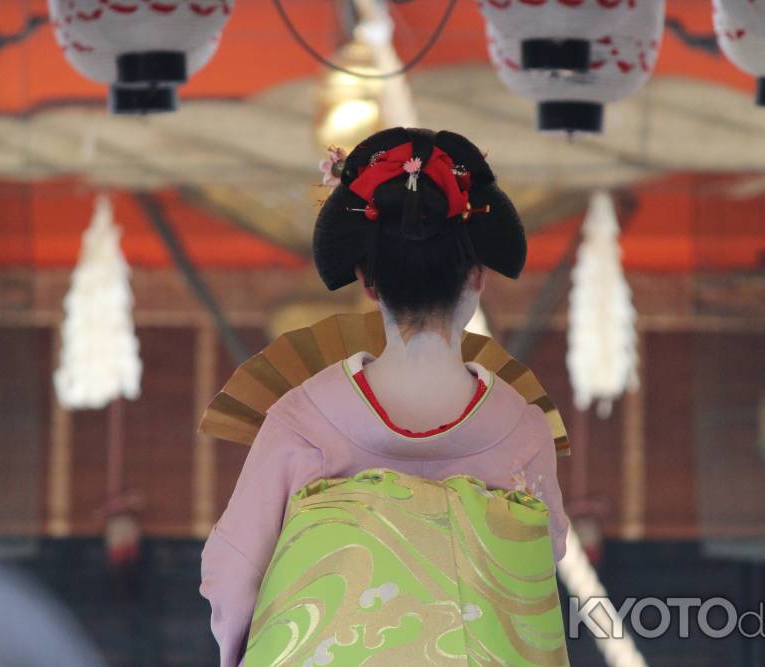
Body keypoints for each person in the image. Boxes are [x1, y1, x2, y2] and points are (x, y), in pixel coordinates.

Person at [200, 127, 569, 666]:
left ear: (367, 282)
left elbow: (232, 574)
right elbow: (539, 567)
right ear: (477, 277)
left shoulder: (302, 420)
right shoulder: (524, 430)